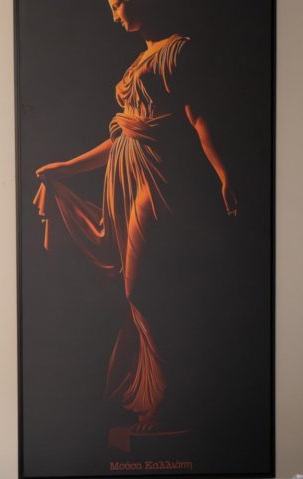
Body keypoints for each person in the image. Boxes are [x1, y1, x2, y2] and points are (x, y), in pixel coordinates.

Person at [32, 0, 236, 433]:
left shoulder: (177, 49)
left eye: (118, 3)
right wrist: (65, 169)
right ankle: (162, 394)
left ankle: (165, 395)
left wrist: (224, 174)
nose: (115, 15)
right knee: (136, 289)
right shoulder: (138, 61)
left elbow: (197, 117)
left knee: (140, 288)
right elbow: (120, 138)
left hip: (156, 177)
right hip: (123, 178)